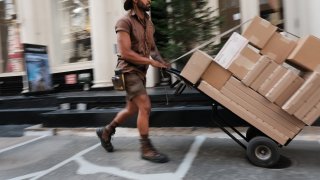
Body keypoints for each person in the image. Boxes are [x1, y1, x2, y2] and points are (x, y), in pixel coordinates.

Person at [96, 0, 170, 163]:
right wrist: (151, 62)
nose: (149, 0)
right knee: (145, 105)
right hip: (128, 70)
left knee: (131, 109)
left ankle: (106, 131)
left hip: (141, 72)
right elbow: (125, 53)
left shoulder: (149, 24)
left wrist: (162, 62)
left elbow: (152, 49)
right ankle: (146, 148)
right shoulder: (124, 22)